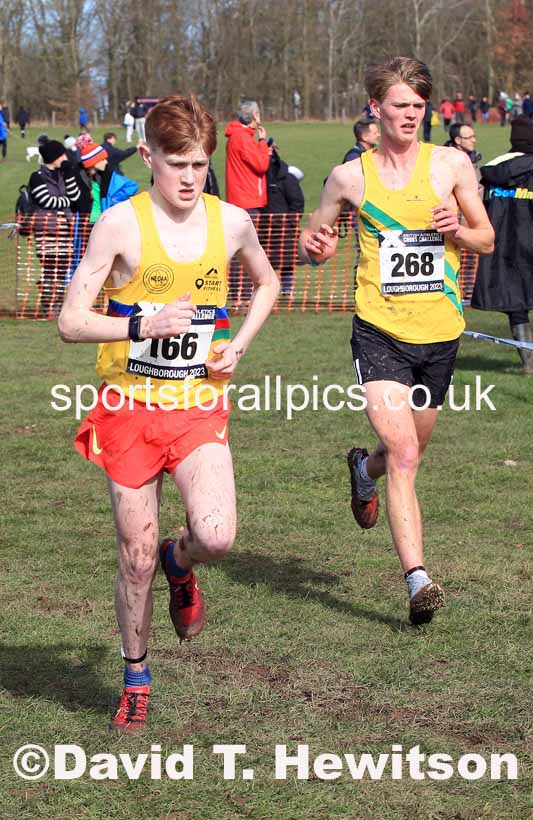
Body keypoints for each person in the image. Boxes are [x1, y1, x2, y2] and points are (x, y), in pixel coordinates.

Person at [58, 95, 279, 732]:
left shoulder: (231, 222)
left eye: (200, 165)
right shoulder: (119, 225)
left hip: (197, 406)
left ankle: (180, 563)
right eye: (177, 164)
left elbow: (266, 282)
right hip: (129, 409)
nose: (189, 177)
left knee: (216, 536)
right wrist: (141, 326)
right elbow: (70, 321)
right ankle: (136, 675)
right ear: (148, 156)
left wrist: (239, 344)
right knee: (135, 556)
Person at [299, 57, 494, 625]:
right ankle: (418, 580)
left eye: (418, 105)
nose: (410, 114)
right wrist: (317, 248)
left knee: (406, 453)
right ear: (375, 108)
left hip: (440, 335)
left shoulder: (451, 164)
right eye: (400, 105)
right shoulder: (349, 177)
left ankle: (364, 469)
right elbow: (315, 239)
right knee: (405, 455)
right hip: (379, 332)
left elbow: (486, 238)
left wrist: (457, 230)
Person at [472, 115, 533, 374]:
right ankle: (531, 365)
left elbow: (480, 208)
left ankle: (529, 364)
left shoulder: (493, 171)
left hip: (505, 250)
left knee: (516, 305)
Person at [28, 140, 84, 316]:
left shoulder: (64, 174)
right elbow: (46, 201)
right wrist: (68, 202)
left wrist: (69, 175)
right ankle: (48, 306)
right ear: (54, 157)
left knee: (62, 270)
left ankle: (58, 306)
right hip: (46, 230)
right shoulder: (37, 177)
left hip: (65, 230)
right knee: (49, 268)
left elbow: (76, 196)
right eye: (62, 155)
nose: (65, 157)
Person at [263, 140, 305, 295]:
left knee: (287, 260)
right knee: (264, 261)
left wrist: (291, 222)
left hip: (284, 228)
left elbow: (297, 201)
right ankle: (267, 289)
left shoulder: (286, 177)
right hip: (264, 227)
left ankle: (287, 289)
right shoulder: (257, 178)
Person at [225, 100, 270, 211]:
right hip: (247, 200)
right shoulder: (243, 138)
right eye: (258, 113)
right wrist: (262, 142)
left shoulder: (238, 135)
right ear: (254, 116)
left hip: (240, 198)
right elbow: (261, 165)